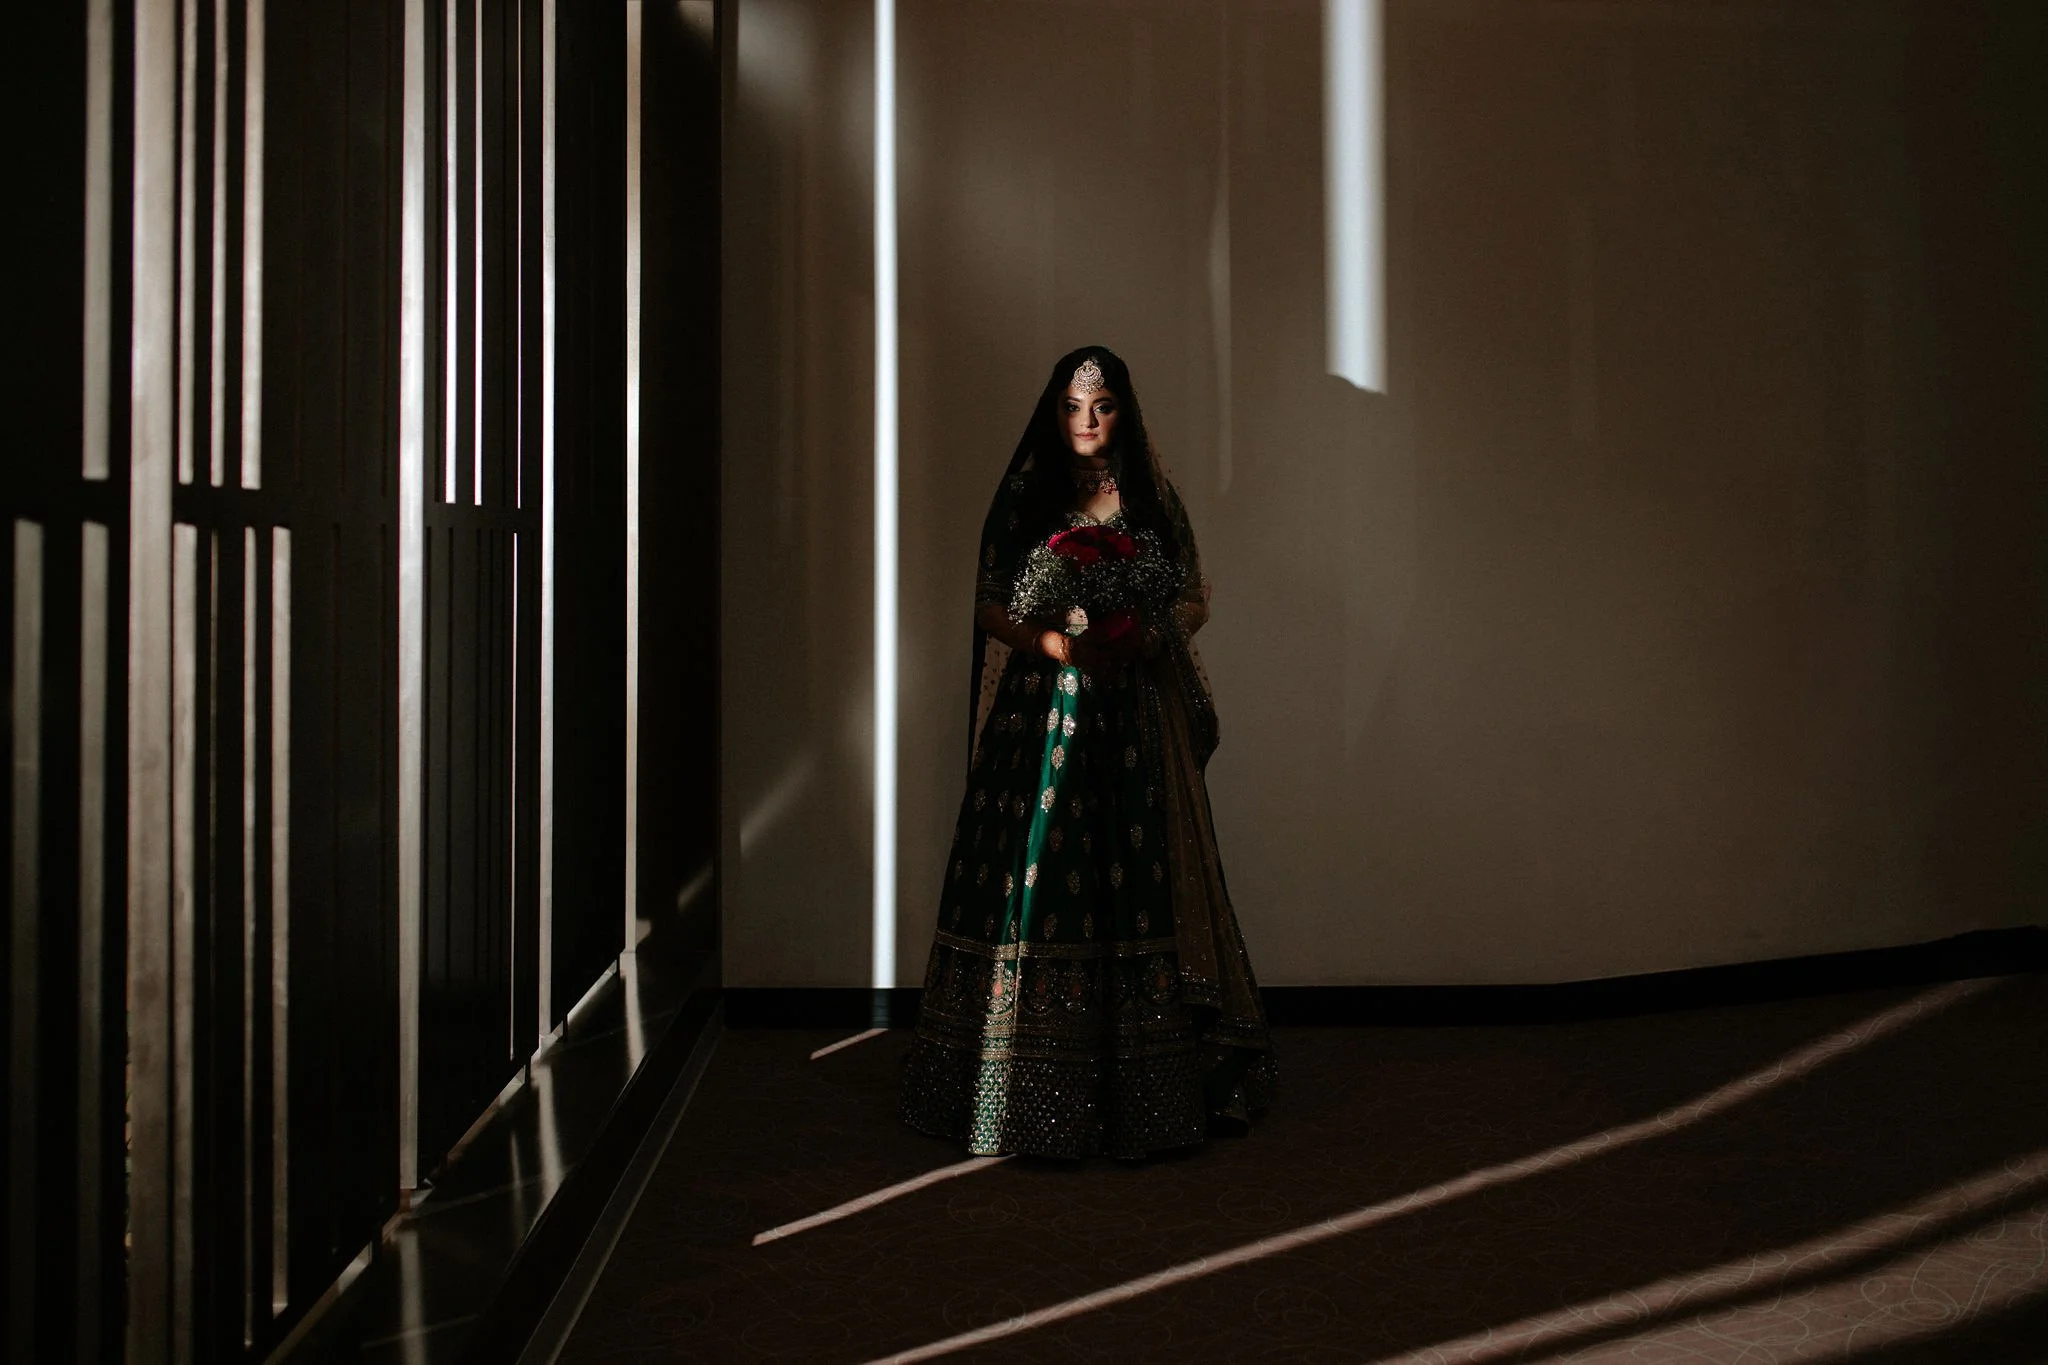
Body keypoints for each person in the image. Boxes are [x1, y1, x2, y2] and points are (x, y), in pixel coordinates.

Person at [900, 345, 1275, 1160]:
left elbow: (1193, 592)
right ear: (1054, 410)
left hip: (1134, 714)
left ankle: (1149, 1086)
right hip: (1041, 717)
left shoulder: (1147, 496)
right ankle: (1007, 1080)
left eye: (1101, 406)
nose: (1087, 421)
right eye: (1074, 406)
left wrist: (1143, 631)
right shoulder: (1028, 497)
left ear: (1123, 412)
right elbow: (989, 604)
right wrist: (1052, 642)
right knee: (1034, 877)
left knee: (1133, 877)